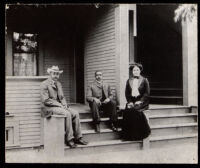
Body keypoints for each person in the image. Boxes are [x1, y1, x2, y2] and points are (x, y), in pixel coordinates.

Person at [40, 66, 88, 148]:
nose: (56, 76)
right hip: (48, 108)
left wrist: (64, 104)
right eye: (54, 74)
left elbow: (62, 97)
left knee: (75, 113)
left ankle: (78, 137)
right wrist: (60, 105)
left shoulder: (58, 84)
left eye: (57, 74)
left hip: (60, 106)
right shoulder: (44, 84)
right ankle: (69, 139)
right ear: (50, 74)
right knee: (67, 113)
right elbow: (46, 100)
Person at [121, 63, 151, 141]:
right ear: (132, 71)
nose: (136, 71)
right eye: (134, 70)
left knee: (134, 110)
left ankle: (137, 135)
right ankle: (127, 136)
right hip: (132, 101)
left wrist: (140, 101)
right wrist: (130, 102)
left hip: (142, 102)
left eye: (137, 70)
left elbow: (147, 93)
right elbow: (127, 93)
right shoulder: (129, 80)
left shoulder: (144, 80)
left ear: (140, 71)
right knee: (127, 110)